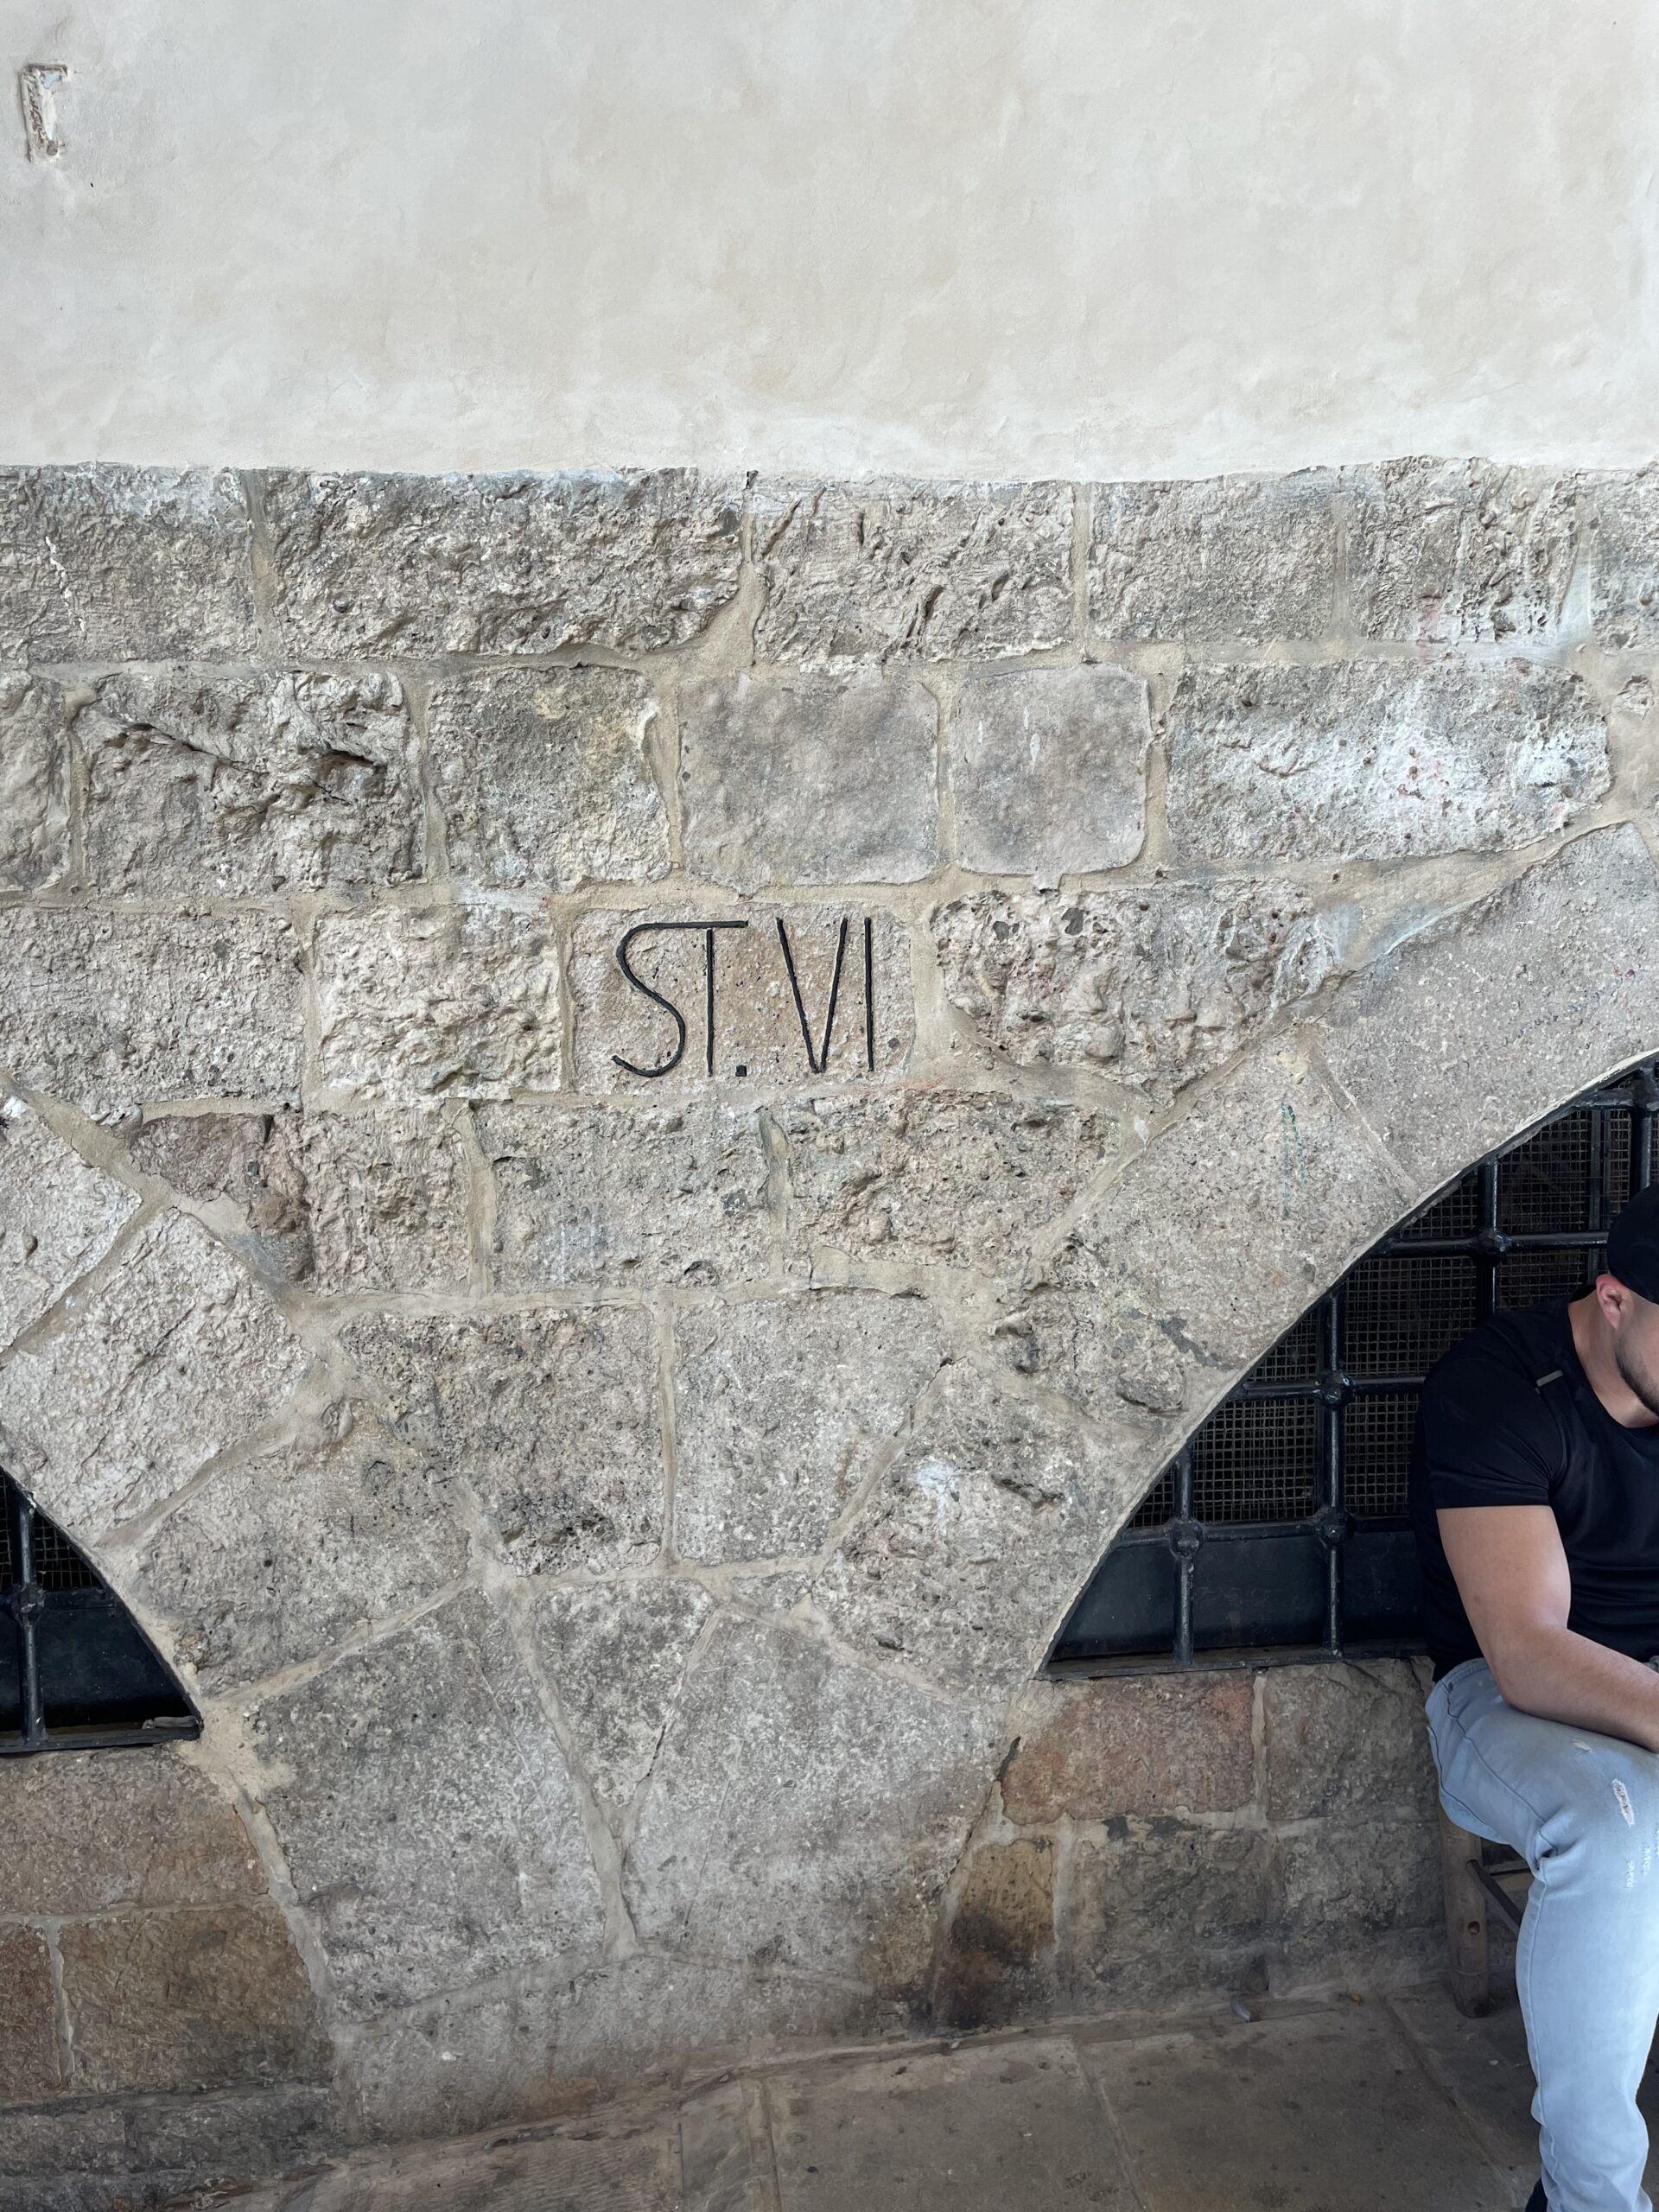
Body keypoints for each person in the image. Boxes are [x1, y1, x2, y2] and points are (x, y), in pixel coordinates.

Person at [1412, 1182, 1659, 2212]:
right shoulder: (1501, 1385)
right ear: (1613, 1298)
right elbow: (1527, 1650)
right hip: (1506, 1699)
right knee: (1616, 1826)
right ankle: (1587, 2198)